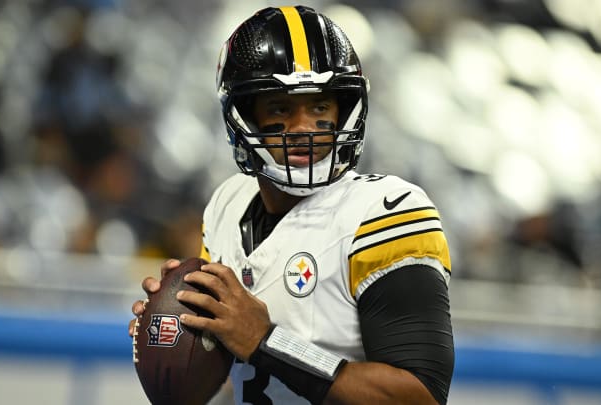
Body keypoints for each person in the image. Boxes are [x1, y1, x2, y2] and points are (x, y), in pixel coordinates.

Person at [129, 5, 454, 404]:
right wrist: (182, 336)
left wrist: (268, 342)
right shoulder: (227, 206)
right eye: (281, 108)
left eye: (319, 107)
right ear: (244, 117)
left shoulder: (386, 212)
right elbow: (243, 380)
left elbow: (421, 397)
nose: (303, 129)